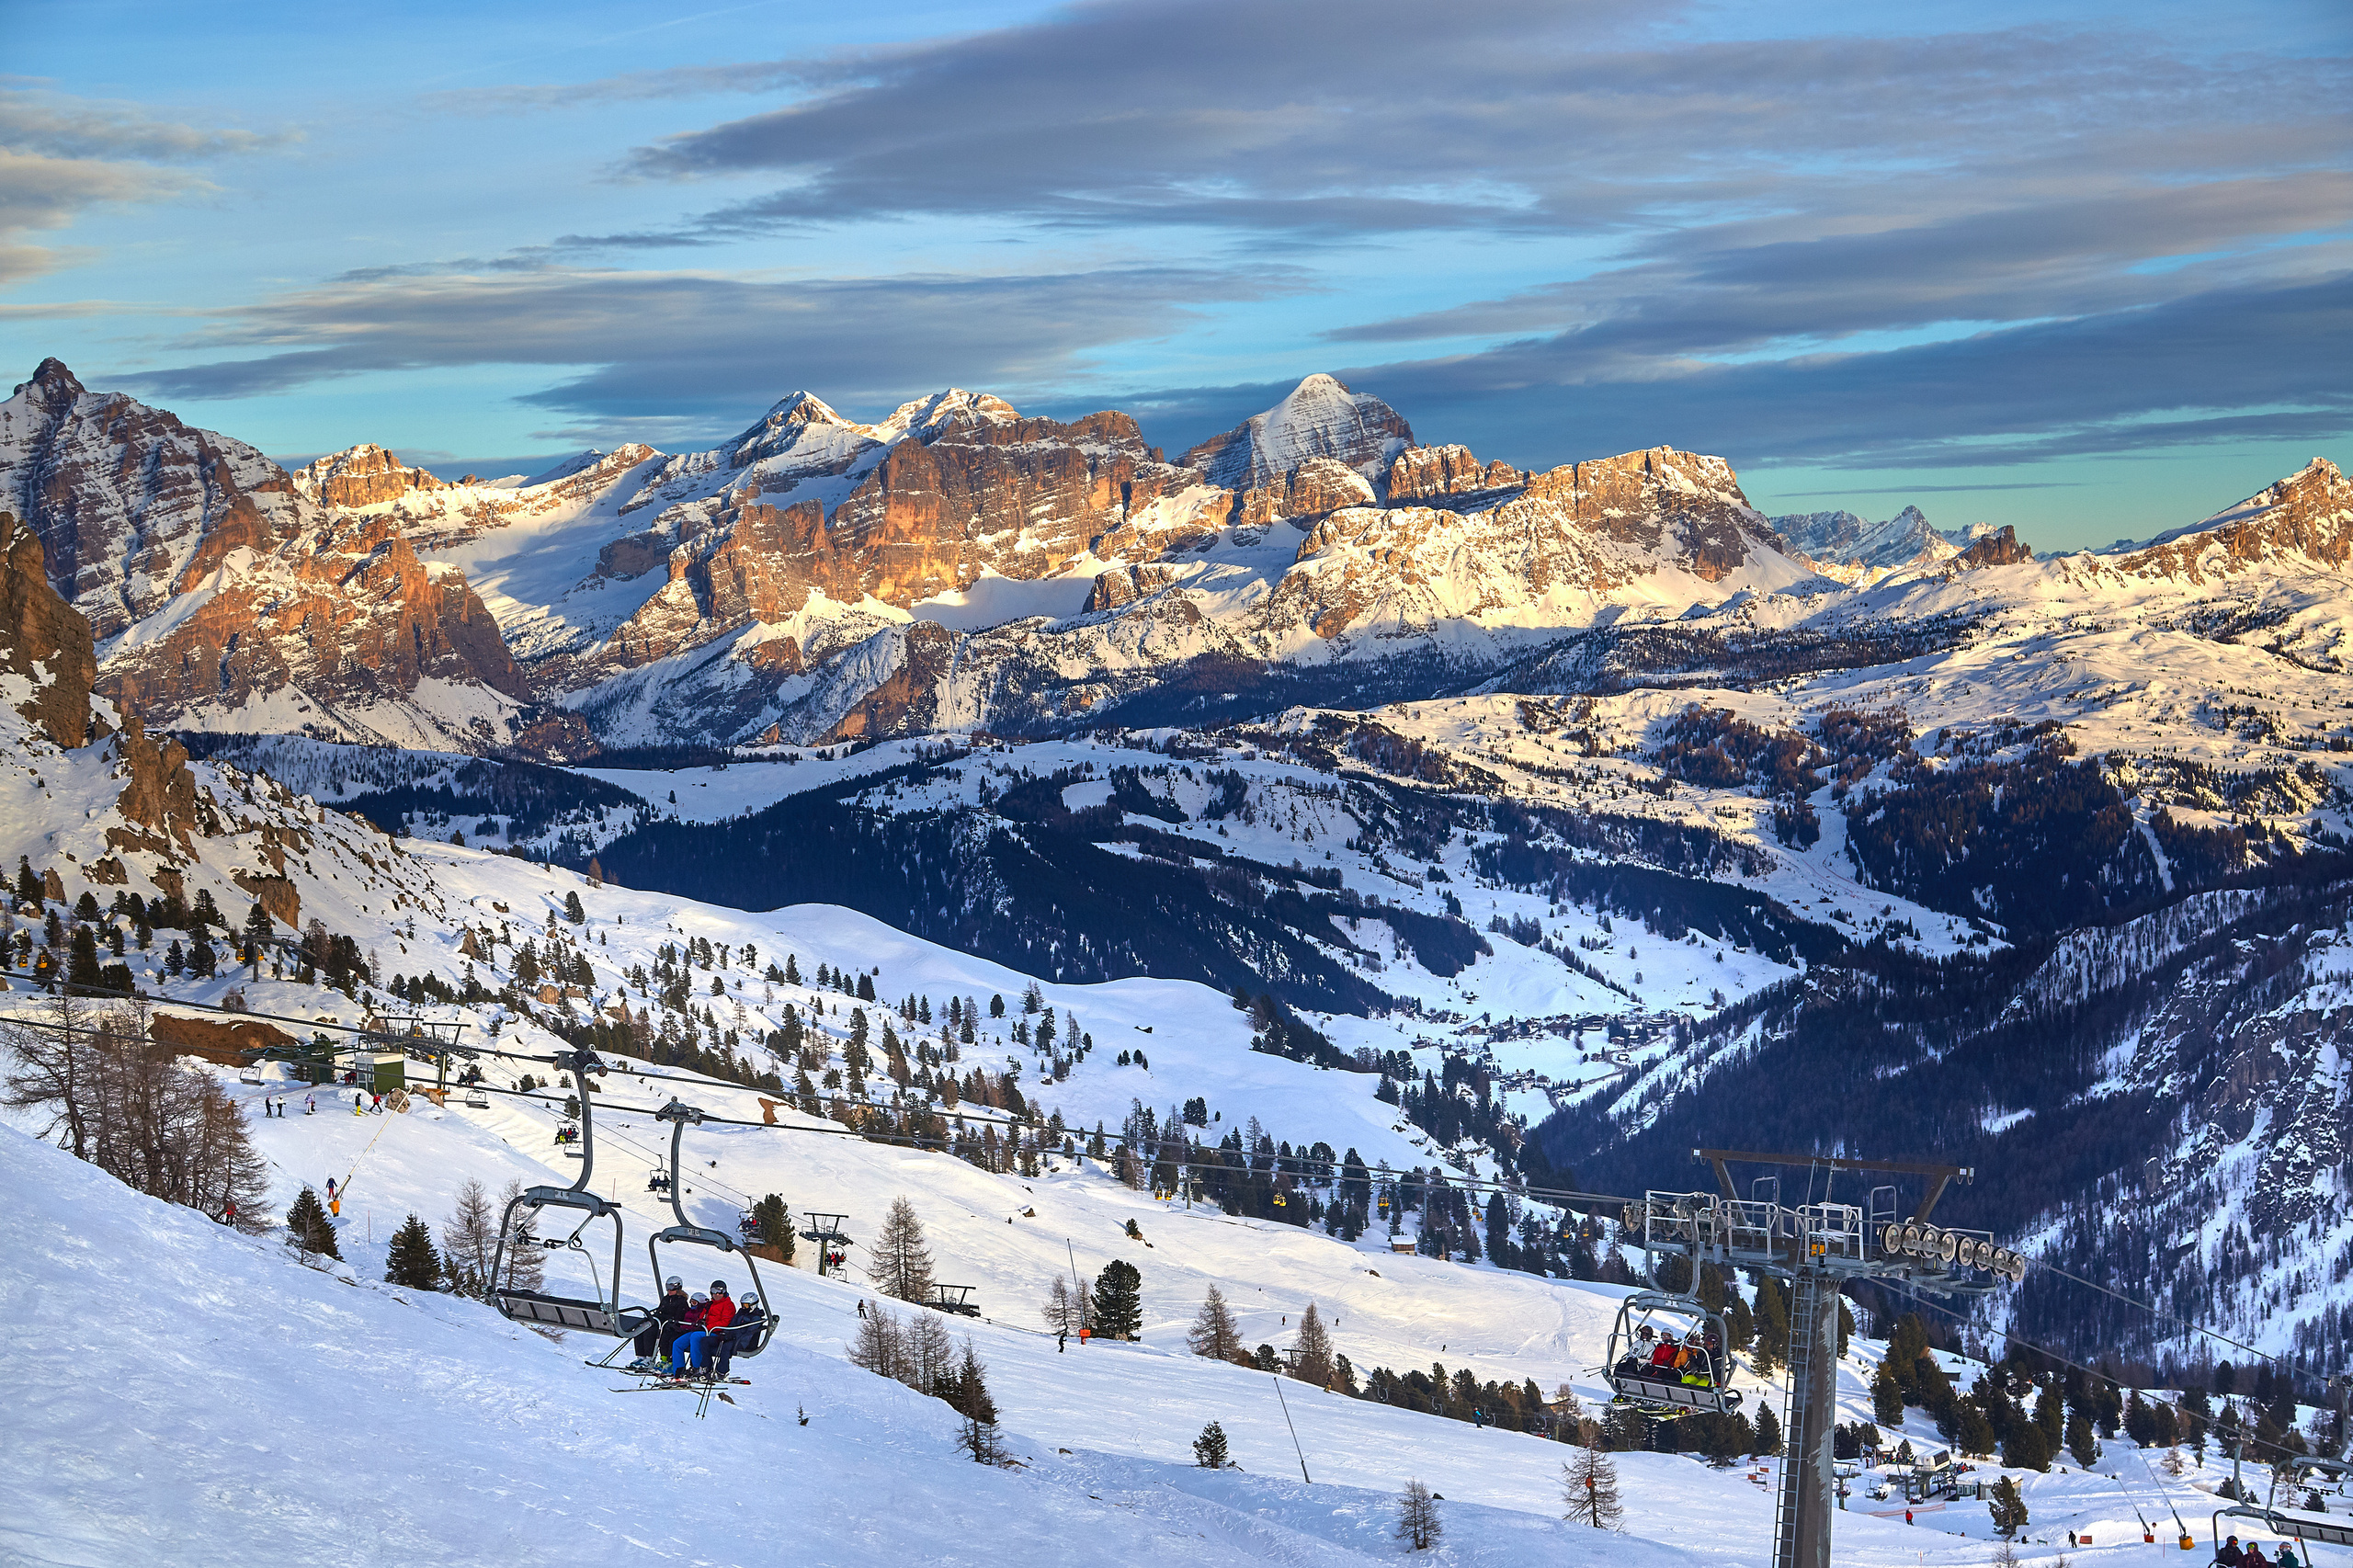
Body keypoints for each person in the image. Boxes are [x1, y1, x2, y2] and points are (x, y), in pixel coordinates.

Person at [634, 1277, 688, 1369]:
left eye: (672, 1288)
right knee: (640, 1329)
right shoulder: (666, 1299)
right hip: (661, 1323)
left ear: (678, 1287)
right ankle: (641, 1357)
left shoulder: (681, 1301)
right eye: (668, 1287)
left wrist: (663, 1318)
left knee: (650, 1332)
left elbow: (678, 1316)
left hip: (669, 1326)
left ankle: (649, 1358)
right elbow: (660, 1310)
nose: (669, 1290)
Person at [714, 1293, 765, 1379]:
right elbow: (732, 1324)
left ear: (753, 1305)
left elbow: (748, 1333)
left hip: (742, 1342)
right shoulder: (741, 1313)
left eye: (746, 1305)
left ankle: (722, 1372)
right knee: (707, 1341)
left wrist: (733, 1337)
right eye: (742, 1305)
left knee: (726, 1347)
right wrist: (726, 1333)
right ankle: (705, 1368)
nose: (744, 1307)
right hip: (733, 1338)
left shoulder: (756, 1318)